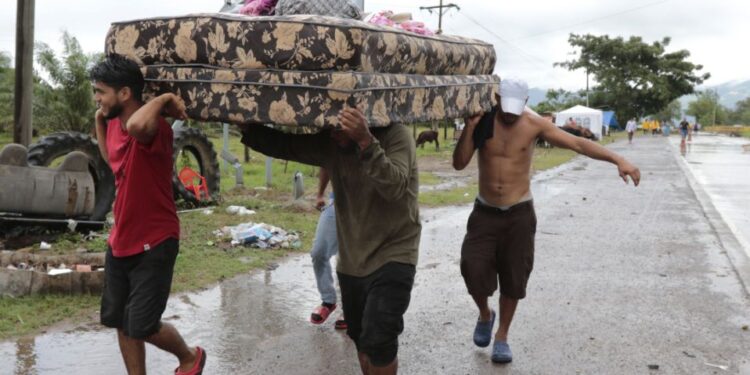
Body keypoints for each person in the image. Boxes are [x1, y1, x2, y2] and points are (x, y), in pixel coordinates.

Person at [452, 78, 641, 364]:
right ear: (496, 96)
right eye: (505, 107)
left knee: (514, 277)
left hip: (519, 213)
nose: (510, 114)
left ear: (526, 103)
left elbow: (578, 143)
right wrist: (469, 127)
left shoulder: (535, 124)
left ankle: (502, 336)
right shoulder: (483, 121)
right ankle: (485, 314)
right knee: (472, 268)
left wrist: (618, 159)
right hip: (485, 212)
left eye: (516, 109)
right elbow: (459, 162)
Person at [241, 108, 420, 375]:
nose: (334, 134)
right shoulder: (332, 141)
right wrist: (244, 124)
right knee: (361, 338)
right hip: (352, 260)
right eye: (329, 127)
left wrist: (365, 142)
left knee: (379, 339)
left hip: (394, 251)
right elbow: (286, 145)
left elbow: (395, 186)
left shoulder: (397, 136)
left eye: (341, 127)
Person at [90, 54, 206, 375]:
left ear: (125, 93)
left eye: (101, 91)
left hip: (155, 240)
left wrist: (166, 98)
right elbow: (112, 160)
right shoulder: (112, 124)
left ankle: (190, 357)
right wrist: (100, 119)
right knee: (120, 322)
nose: (97, 98)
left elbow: (138, 124)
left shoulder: (155, 129)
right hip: (121, 240)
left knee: (141, 325)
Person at [309, 167, 347, 330]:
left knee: (350, 259)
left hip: (366, 207)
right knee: (318, 252)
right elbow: (326, 164)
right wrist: (320, 194)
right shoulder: (335, 143)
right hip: (336, 203)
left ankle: (350, 309)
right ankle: (328, 301)